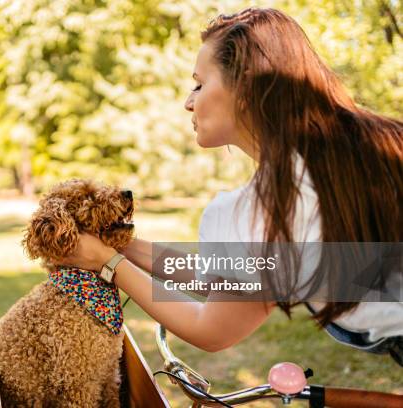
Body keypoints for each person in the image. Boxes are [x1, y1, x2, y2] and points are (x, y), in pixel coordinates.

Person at [57, 8, 403, 363]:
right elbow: (222, 281)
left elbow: (212, 328)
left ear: (246, 85)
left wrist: (108, 263)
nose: (188, 102)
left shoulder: (262, 206)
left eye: (199, 84)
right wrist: (122, 246)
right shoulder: (382, 144)